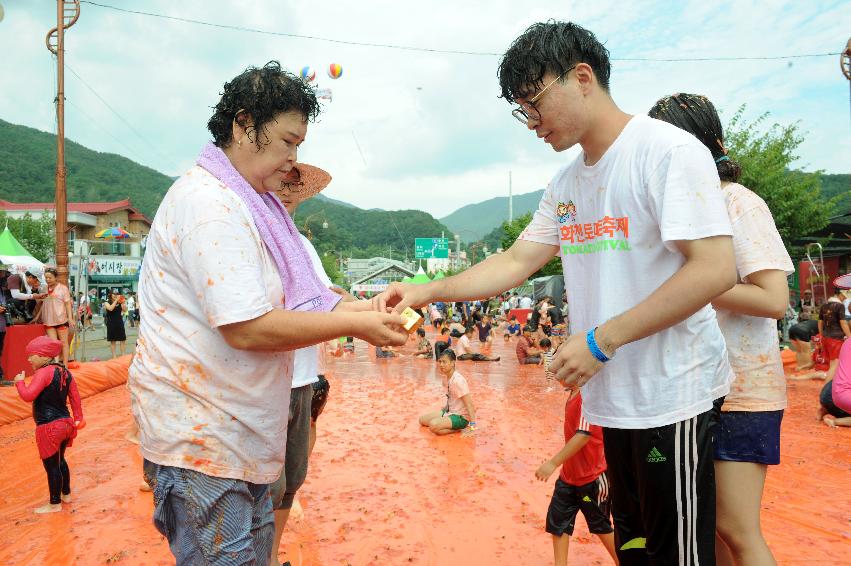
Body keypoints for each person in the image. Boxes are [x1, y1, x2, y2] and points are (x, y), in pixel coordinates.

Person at [375, 21, 737, 564]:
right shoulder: (566, 183)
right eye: (522, 109)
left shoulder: (666, 152)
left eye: (534, 102)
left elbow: (714, 268)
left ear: (582, 77)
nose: (532, 122)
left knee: (677, 554)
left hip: (672, 396)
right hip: (614, 405)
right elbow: (518, 260)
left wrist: (600, 341)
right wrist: (428, 291)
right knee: (634, 547)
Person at [128, 61, 407, 564]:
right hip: (204, 440)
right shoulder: (209, 203)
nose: (292, 159)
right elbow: (247, 326)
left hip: (240, 437)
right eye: (286, 142)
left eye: (299, 145)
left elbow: (307, 296)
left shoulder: (255, 209)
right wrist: (355, 322)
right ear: (242, 125)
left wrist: (364, 307)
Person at [650, 92, 794, 566]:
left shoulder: (738, 203)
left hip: (744, 393)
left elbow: (774, 299)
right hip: (692, 389)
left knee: (736, 527)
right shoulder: (682, 214)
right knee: (705, 525)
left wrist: (694, 285)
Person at [268, 162, 351, 565]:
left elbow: (326, 296)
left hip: (302, 376)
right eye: (281, 183)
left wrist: (372, 308)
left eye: (294, 188)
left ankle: (272, 555)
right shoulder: (255, 236)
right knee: (267, 482)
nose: (287, 193)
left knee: (291, 480)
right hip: (269, 380)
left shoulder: (303, 244)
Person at [535, 390, 617, 566]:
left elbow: (583, 435)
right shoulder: (573, 392)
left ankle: (622, 561)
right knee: (558, 521)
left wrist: (552, 463)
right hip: (568, 476)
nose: (557, 372)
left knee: (600, 525)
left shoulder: (588, 395)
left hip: (591, 478)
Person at [13, 336, 85, 514]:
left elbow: (28, 395)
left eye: (32, 356)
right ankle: (66, 494)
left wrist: (19, 383)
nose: (29, 359)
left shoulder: (44, 373)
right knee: (60, 460)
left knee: (51, 466)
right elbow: (75, 397)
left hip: (49, 426)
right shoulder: (65, 371)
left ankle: (54, 504)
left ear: (44, 356)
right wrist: (78, 417)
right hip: (66, 424)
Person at [418, 349, 477, 435]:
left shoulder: (458, 380)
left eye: (444, 362)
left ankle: (459, 428)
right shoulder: (448, 377)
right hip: (450, 412)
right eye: (440, 361)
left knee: (433, 426)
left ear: (452, 363)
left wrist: (473, 428)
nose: (441, 365)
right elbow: (453, 397)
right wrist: (446, 407)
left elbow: (470, 404)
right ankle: (450, 425)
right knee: (422, 420)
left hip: (461, 417)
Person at [35, 268, 74, 368]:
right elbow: (40, 302)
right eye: (46, 277)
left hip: (61, 319)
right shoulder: (44, 288)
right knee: (54, 343)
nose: (48, 279)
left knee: (64, 343)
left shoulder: (63, 288)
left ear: (56, 278)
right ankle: (56, 363)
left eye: (50, 277)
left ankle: (65, 364)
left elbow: (67, 304)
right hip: (48, 320)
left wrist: (70, 318)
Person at [818, 299, 850, 383]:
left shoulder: (824, 306)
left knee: (832, 364)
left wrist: (822, 335)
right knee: (835, 364)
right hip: (836, 339)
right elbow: (843, 322)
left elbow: (820, 322)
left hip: (826, 338)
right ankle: (826, 388)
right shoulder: (840, 306)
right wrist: (850, 337)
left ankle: (830, 384)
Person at [103, 291, 128, 358]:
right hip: (111, 323)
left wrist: (123, 303)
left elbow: (125, 310)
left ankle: (123, 355)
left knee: (122, 339)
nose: (115, 295)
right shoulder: (106, 302)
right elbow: (110, 308)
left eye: (117, 294)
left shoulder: (120, 302)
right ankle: (114, 356)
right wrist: (116, 300)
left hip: (119, 322)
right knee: (113, 341)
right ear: (110, 295)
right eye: (114, 294)